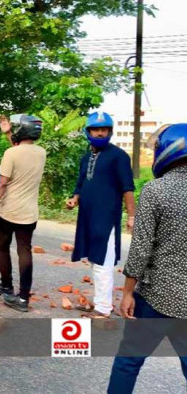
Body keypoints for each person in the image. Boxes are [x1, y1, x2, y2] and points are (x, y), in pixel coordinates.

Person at [107, 123, 187, 392]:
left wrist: (128, 292)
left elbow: (140, 248)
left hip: (157, 297)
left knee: (128, 361)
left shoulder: (156, 190)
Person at [66, 111, 135, 318]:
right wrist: (74, 198)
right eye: (95, 129)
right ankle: (99, 303)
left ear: (110, 131)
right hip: (87, 217)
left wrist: (132, 216)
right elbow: (80, 184)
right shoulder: (86, 157)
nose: (99, 133)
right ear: (88, 131)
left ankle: (103, 309)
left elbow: (128, 188)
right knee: (95, 261)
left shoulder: (119, 156)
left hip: (106, 218)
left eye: (104, 129)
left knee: (103, 262)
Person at [0, 114, 46, 312]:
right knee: (25, 251)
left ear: (20, 130)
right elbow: (21, 153)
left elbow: (2, 183)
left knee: (3, 248)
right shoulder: (41, 152)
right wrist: (8, 134)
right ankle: (23, 298)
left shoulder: (10, 154)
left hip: (7, 211)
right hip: (29, 213)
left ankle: (6, 285)